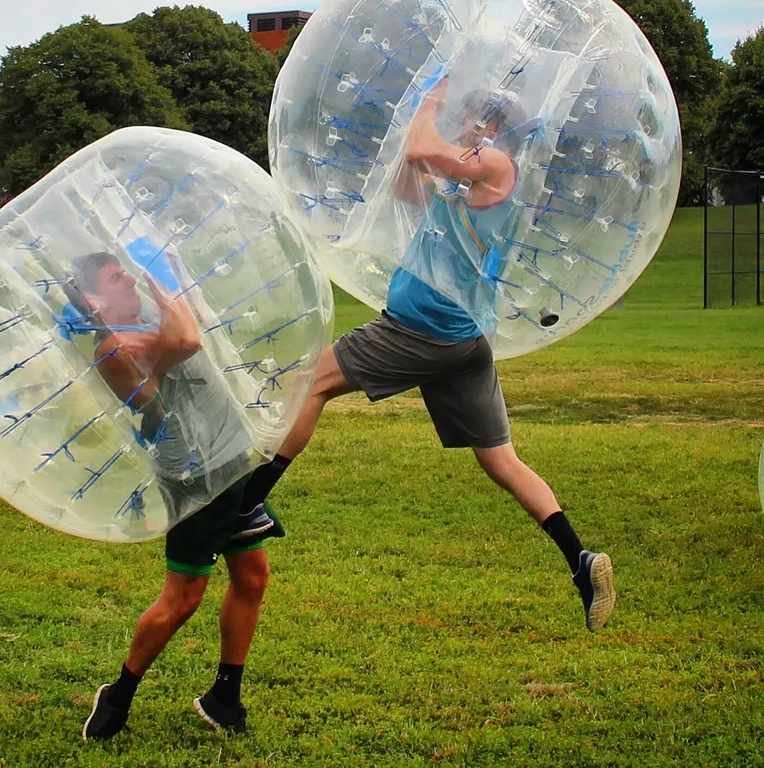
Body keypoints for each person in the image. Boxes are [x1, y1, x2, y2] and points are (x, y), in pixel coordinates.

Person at [234, 78, 617, 632]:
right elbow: (408, 186)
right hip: (459, 340)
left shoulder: (498, 165)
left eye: (469, 120)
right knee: (501, 460)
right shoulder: (469, 183)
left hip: (422, 331)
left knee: (311, 384)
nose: (460, 127)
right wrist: (416, 158)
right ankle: (580, 561)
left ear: (489, 127)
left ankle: (249, 505)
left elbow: (418, 146)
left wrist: (431, 94)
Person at [72, 251, 284, 741]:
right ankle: (118, 694)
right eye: (115, 276)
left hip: (231, 461)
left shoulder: (145, 321)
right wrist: (163, 284)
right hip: (196, 475)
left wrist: (177, 272)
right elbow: (187, 339)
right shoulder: (115, 346)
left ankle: (224, 697)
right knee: (183, 597)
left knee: (252, 577)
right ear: (94, 300)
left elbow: (203, 323)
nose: (127, 277)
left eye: (126, 270)